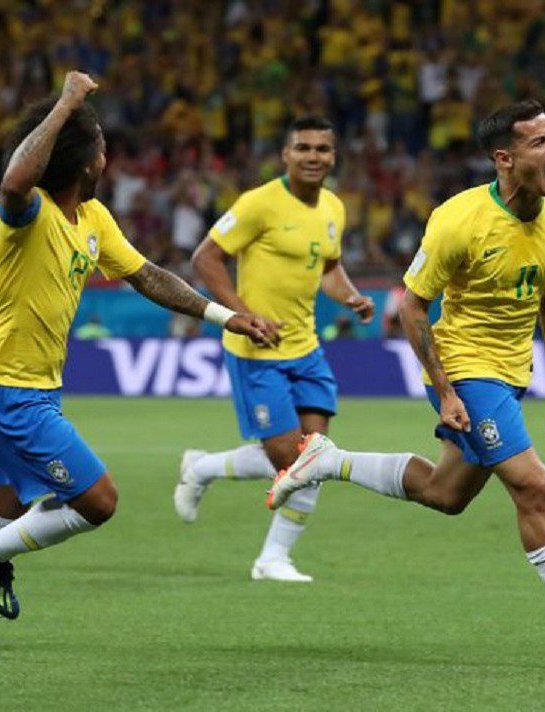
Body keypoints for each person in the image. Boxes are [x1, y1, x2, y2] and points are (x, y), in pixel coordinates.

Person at [267, 101, 545, 664]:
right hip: (464, 367)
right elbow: (412, 307)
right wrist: (447, 390)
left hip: (511, 372)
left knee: (444, 494)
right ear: (504, 158)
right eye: (539, 142)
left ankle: (329, 461)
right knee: (534, 487)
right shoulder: (459, 220)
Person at [0, 72, 275, 649]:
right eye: (101, 145)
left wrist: (224, 316)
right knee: (97, 501)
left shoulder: (93, 218)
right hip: (6, 389)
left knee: (4, 502)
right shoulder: (24, 213)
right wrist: (64, 105)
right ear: (84, 161)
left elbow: (148, 276)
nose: (106, 154)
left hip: (7, 383)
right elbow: (13, 180)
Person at [173, 117, 375, 583]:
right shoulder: (258, 203)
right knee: (292, 459)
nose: (313, 156)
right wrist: (242, 315)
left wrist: (350, 296)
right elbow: (205, 258)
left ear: (333, 156)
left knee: (314, 459)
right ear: (286, 154)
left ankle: (271, 558)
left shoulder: (333, 207)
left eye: (322, 149)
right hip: (256, 351)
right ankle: (204, 469)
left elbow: (328, 267)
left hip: (306, 346)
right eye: (303, 147)